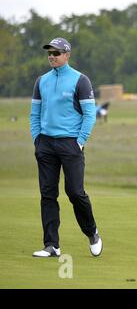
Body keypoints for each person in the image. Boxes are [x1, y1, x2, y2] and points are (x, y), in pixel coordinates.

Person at [30, 37, 103, 257]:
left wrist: (80, 142)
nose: (52, 56)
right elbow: (35, 113)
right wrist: (37, 139)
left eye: (57, 53)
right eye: (49, 53)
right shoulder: (41, 81)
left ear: (67, 55)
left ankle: (92, 233)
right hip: (46, 143)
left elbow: (90, 115)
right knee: (48, 194)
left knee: (75, 192)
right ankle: (52, 245)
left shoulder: (80, 80)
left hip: (71, 143)